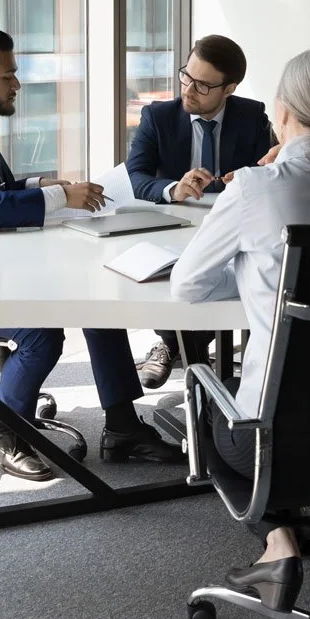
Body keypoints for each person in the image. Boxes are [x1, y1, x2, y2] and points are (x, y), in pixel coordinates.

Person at [0, 24, 182, 482]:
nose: (17, 84)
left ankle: (123, 428)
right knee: (42, 332)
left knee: (100, 304)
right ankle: (1, 428)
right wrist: (58, 200)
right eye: (7, 75)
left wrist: (45, 186)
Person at [170, 47, 310, 611]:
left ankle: (277, 540)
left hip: (266, 437)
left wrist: (252, 270)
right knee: (307, 409)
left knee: (199, 394)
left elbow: (188, 287)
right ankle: (307, 526)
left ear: (283, 109)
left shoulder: (253, 188)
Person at [125, 34, 275, 388]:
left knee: (239, 269)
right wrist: (172, 188)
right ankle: (181, 346)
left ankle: (179, 347)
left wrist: (248, 176)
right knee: (171, 273)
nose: (188, 90)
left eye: (203, 85)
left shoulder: (252, 116)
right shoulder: (158, 116)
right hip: (175, 225)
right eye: (186, 76)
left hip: (231, 227)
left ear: (229, 88)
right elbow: (135, 176)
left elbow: (269, 173)